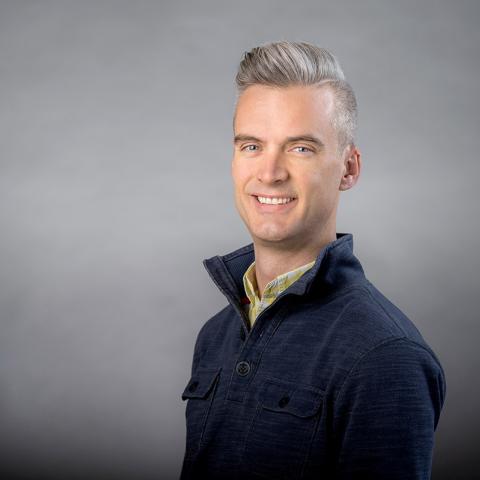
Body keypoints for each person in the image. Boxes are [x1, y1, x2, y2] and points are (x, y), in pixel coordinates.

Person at [179, 41, 446, 480]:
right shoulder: (216, 336)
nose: (269, 173)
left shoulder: (386, 356)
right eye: (251, 146)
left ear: (348, 169)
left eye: (300, 148)